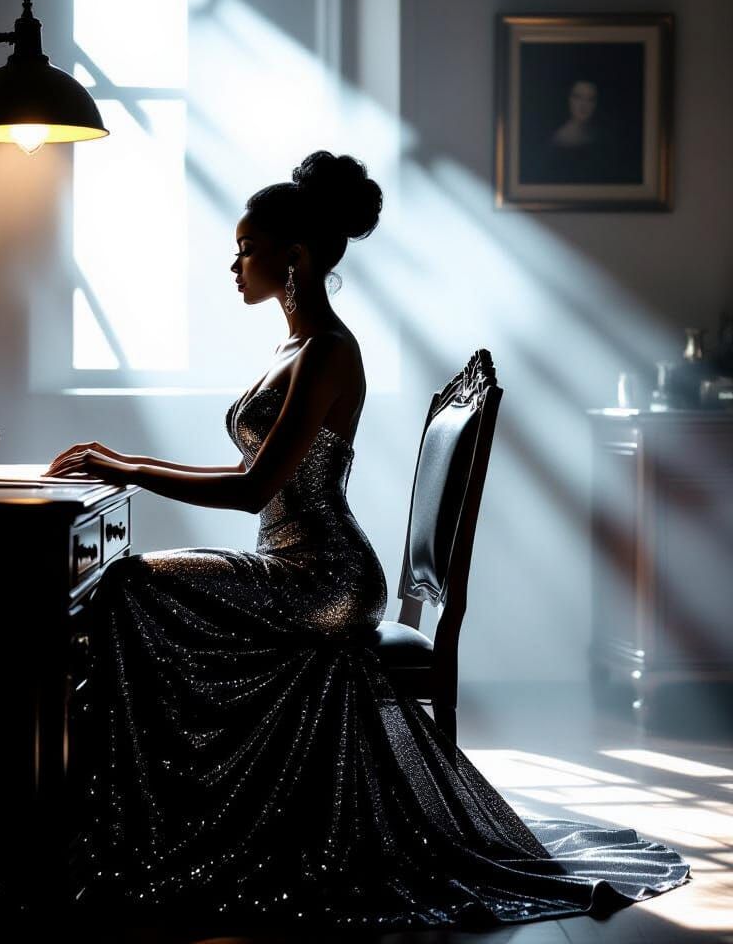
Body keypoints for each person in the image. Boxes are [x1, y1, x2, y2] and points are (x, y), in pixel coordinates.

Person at [42, 150, 690, 931]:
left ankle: (147, 828)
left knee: (127, 585)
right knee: (130, 587)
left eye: (247, 246)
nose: (234, 262)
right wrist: (129, 464)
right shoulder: (292, 348)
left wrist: (127, 465)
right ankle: (172, 821)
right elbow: (260, 477)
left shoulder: (327, 351)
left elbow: (254, 488)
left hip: (323, 576)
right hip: (294, 563)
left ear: (296, 257)